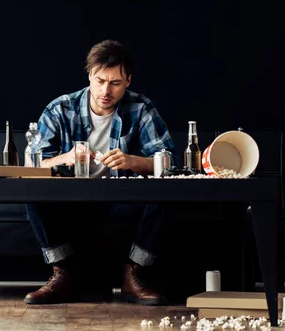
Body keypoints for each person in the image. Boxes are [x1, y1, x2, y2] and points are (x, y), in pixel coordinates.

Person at [24, 39, 175, 306]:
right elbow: (33, 165)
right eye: (100, 80)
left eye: (115, 83)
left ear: (128, 80)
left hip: (123, 201)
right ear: (89, 75)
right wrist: (66, 158)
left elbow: (169, 160)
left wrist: (132, 161)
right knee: (31, 190)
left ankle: (133, 275)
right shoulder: (60, 108)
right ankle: (62, 274)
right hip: (70, 202)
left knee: (166, 191)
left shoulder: (141, 107)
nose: (106, 90)